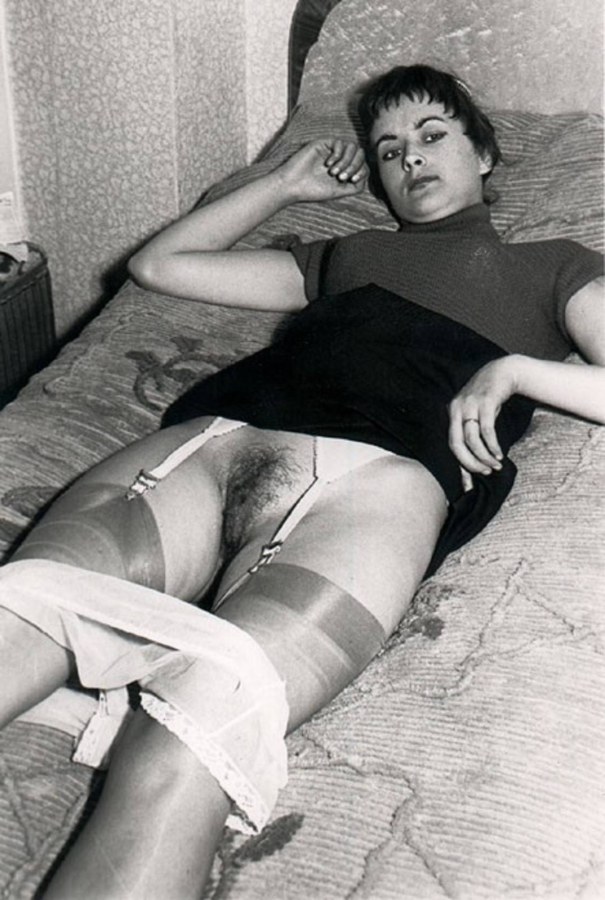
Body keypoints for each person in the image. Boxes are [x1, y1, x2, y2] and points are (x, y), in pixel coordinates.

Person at [0, 64, 603, 898]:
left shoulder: (553, 266)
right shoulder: (345, 255)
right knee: (17, 621)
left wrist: (517, 372)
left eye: (431, 135)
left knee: (188, 742)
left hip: (380, 488)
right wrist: (282, 185)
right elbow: (161, 265)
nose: (409, 158)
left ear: (485, 153)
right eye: (387, 150)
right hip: (218, 444)